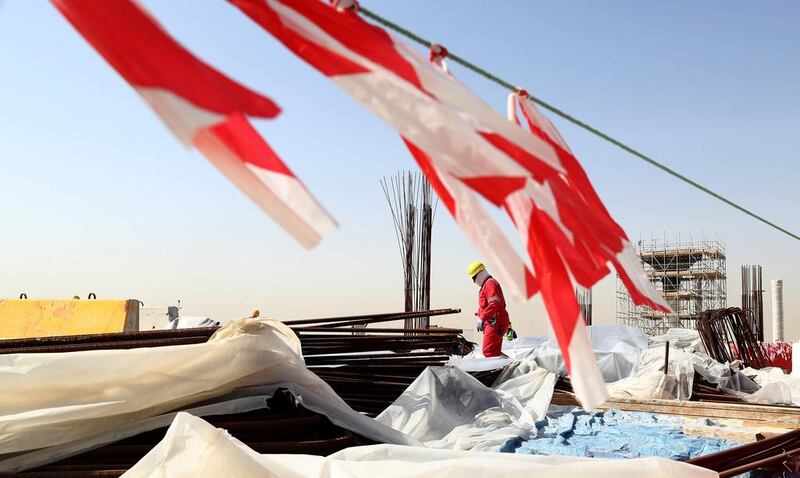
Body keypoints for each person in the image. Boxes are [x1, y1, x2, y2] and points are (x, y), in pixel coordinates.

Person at [467, 261, 511, 357]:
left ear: (480, 273)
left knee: (489, 351)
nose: (474, 281)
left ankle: (507, 368)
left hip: (495, 323)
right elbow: (485, 306)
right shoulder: (486, 285)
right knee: (491, 351)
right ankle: (507, 366)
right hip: (492, 323)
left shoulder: (490, 284)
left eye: (474, 278)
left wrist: (482, 317)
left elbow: (494, 303)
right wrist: (480, 316)